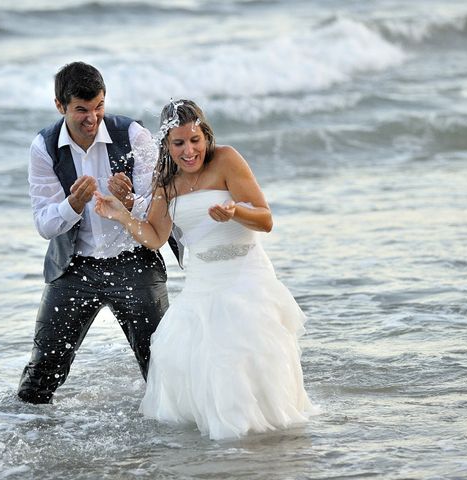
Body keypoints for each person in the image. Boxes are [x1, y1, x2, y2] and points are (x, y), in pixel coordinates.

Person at [94, 99, 316, 440]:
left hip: (245, 277)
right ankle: (220, 447)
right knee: (193, 360)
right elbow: (154, 237)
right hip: (200, 285)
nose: (189, 151)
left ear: (205, 136)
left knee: (237, 356)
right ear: (167, 146)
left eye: (195, 140)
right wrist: (122, 216)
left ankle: (254, 444)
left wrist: (234, 212)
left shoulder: (226, 159)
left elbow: (265, 219)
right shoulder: (165, 180)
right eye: (179, 143)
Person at [17, 62, 170, 404]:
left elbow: (158, 205)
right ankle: (27, 444)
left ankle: (175, 448)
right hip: (74, 268)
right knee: (39, 379)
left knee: (163, 367)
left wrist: (130, 201)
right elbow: (44, 224)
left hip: (134, 260)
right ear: (60, 106)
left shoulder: (133, 134)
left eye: (99, 106)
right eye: (81, 110)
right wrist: (72, 204)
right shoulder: (43, 147)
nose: (92, 118)